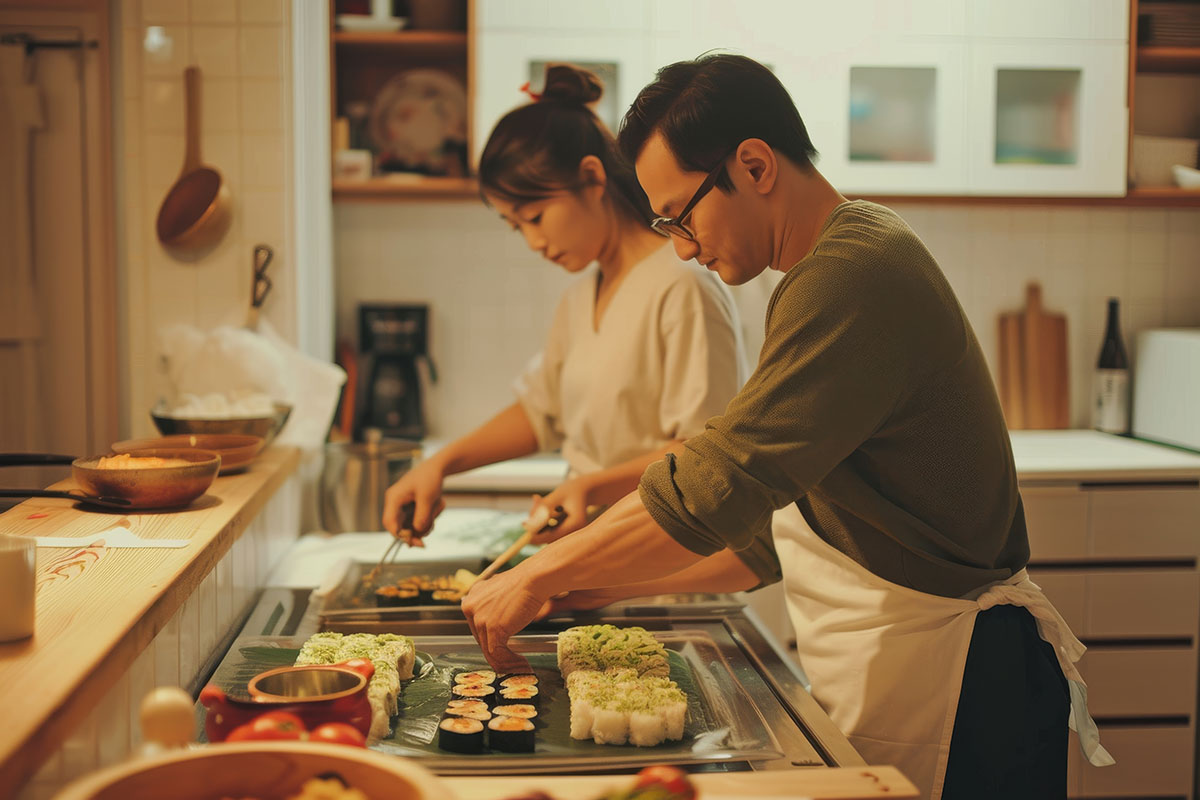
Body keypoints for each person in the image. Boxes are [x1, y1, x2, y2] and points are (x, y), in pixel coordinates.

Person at [461, 54, 1112, 800]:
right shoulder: (823, 269)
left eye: (681, 214)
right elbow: (773, 538)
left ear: (755, 165)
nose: (679, 245)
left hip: (965, 682)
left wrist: (545, 569)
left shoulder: (852, 273)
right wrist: (595, 587)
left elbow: (723, 478)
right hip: (923, 666)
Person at [382, 64, 745, 545]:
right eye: (516, 226)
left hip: (656, 554)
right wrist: (440, 465)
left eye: (535, 216)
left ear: (592, 178)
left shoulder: (682, 287)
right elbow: (540, 413)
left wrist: (589, 486)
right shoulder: (580, 297)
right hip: (589, 549)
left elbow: (704, 454)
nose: (532, 240)